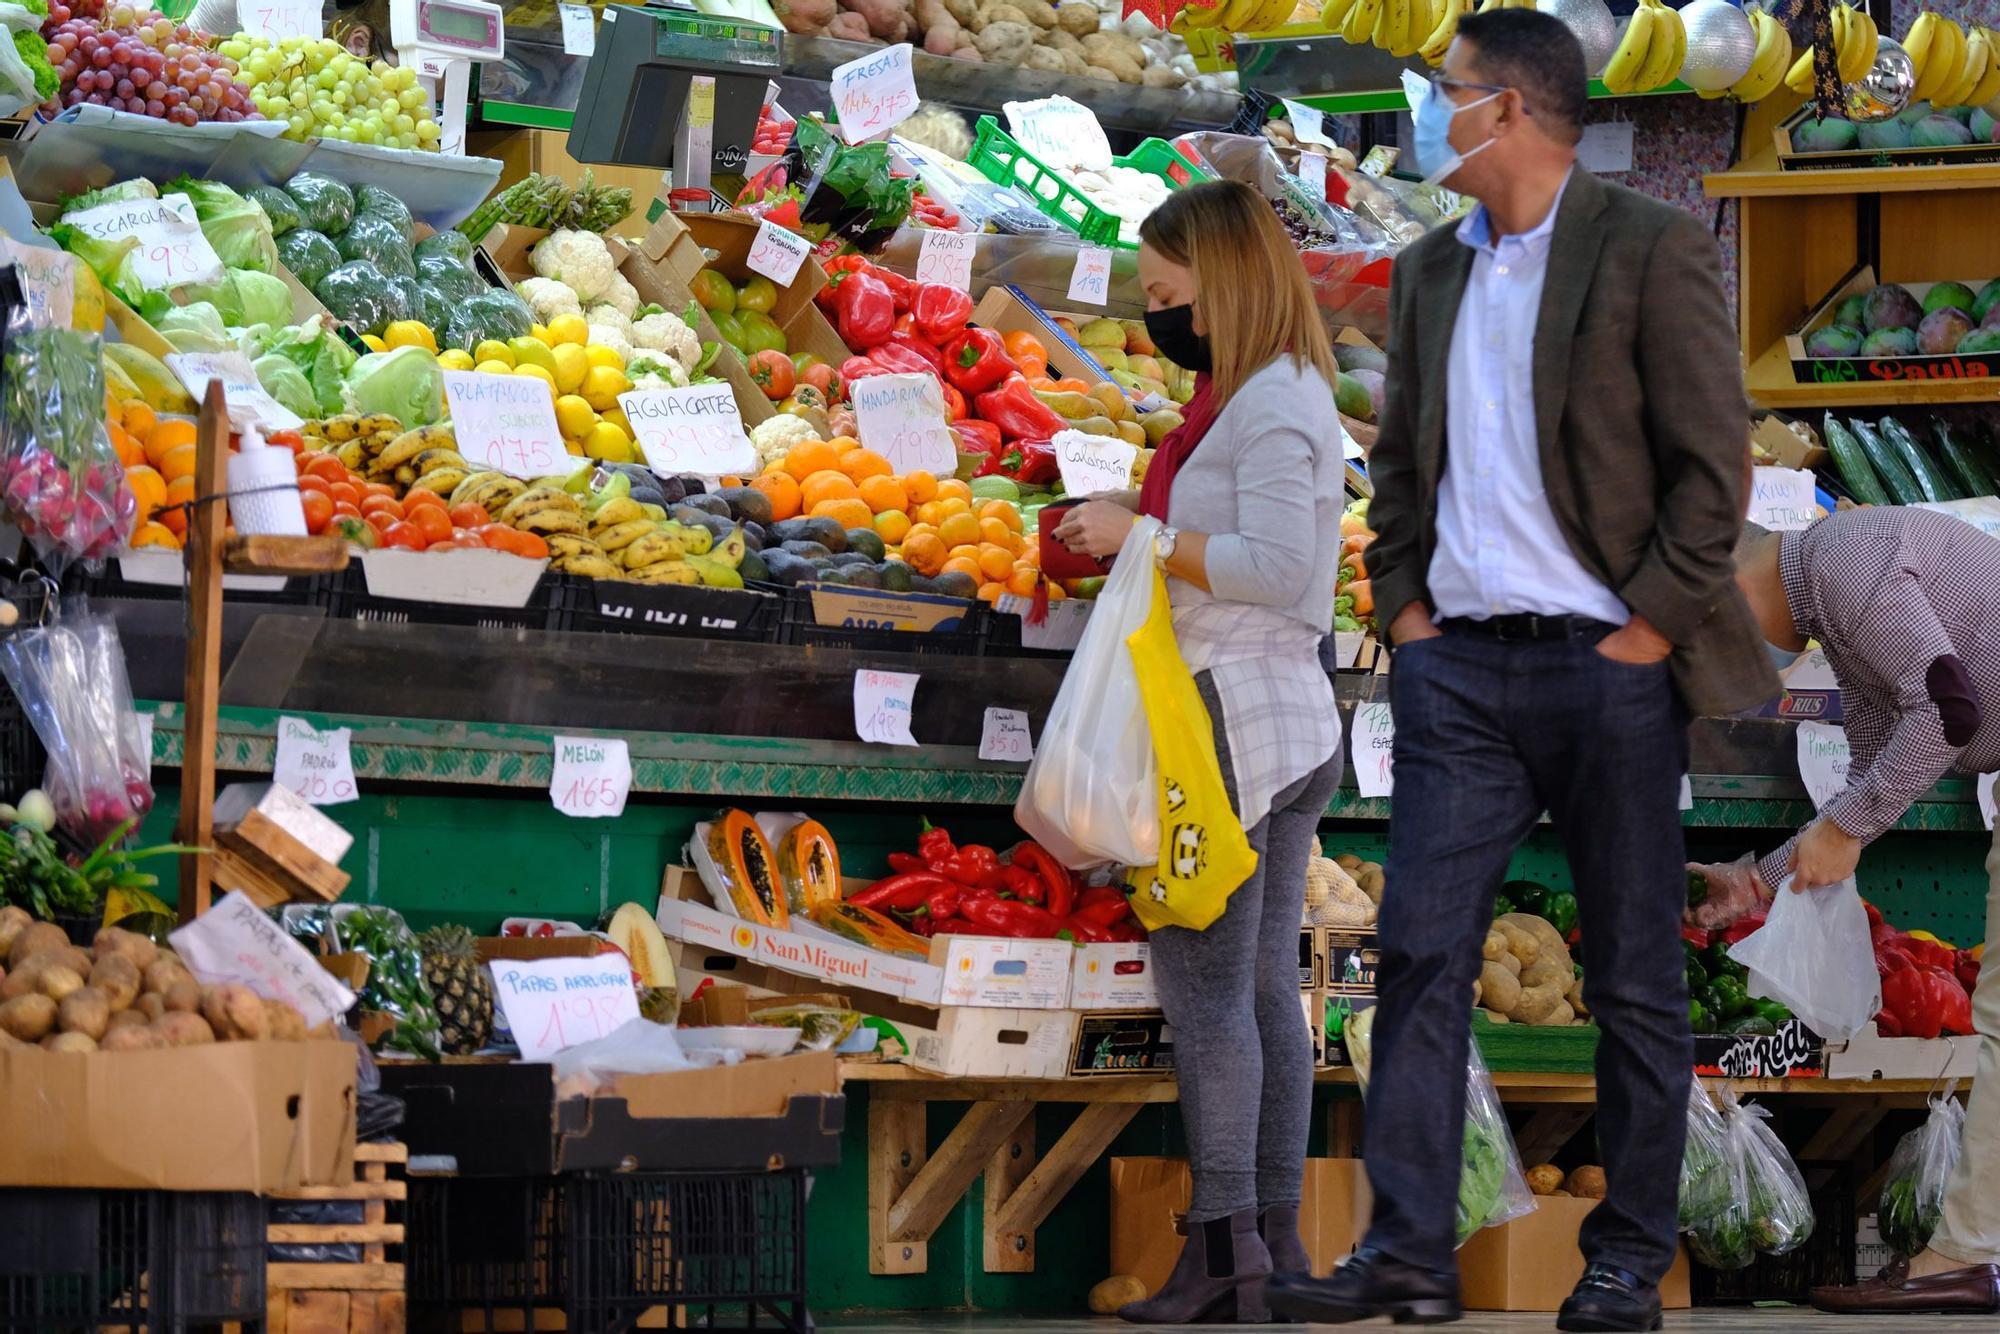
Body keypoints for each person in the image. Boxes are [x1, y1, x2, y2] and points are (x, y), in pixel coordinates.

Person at [1269, 11, 1776, 1332]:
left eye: (1447, 93)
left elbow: (1711, 469)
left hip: (1608, 668)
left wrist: (1649, 631)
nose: (1431, 115)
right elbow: (1398, 464)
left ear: (1514, 109)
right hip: (1462, 677)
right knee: (1423, 953)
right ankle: (1411, 1247)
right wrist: (1406, 608)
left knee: (1634, 983)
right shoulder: (1435, 268)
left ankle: (1622, 1260)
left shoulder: (1650, 249)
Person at [1049, 178, 1347, 1325]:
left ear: (1219, 281)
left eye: (1168, 293)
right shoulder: (1268, 391)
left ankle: (1222, 1247)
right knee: (1262, 985)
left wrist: (1147, 534)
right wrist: (1140, 514)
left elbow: (1276, 566)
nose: (1157, 313)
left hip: (1232, 716)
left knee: (1207, 990)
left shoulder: (1273, 400)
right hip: (1278, 714)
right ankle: (1270, 1239)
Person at [1696, 510, 2000, 1315]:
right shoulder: (1838, 607)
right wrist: (1759, 880)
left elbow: (1947, 712)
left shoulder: (1844, 562)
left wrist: (1846, 828)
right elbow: (1875, 775)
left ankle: (1963, 1259)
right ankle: (1963, 1256)